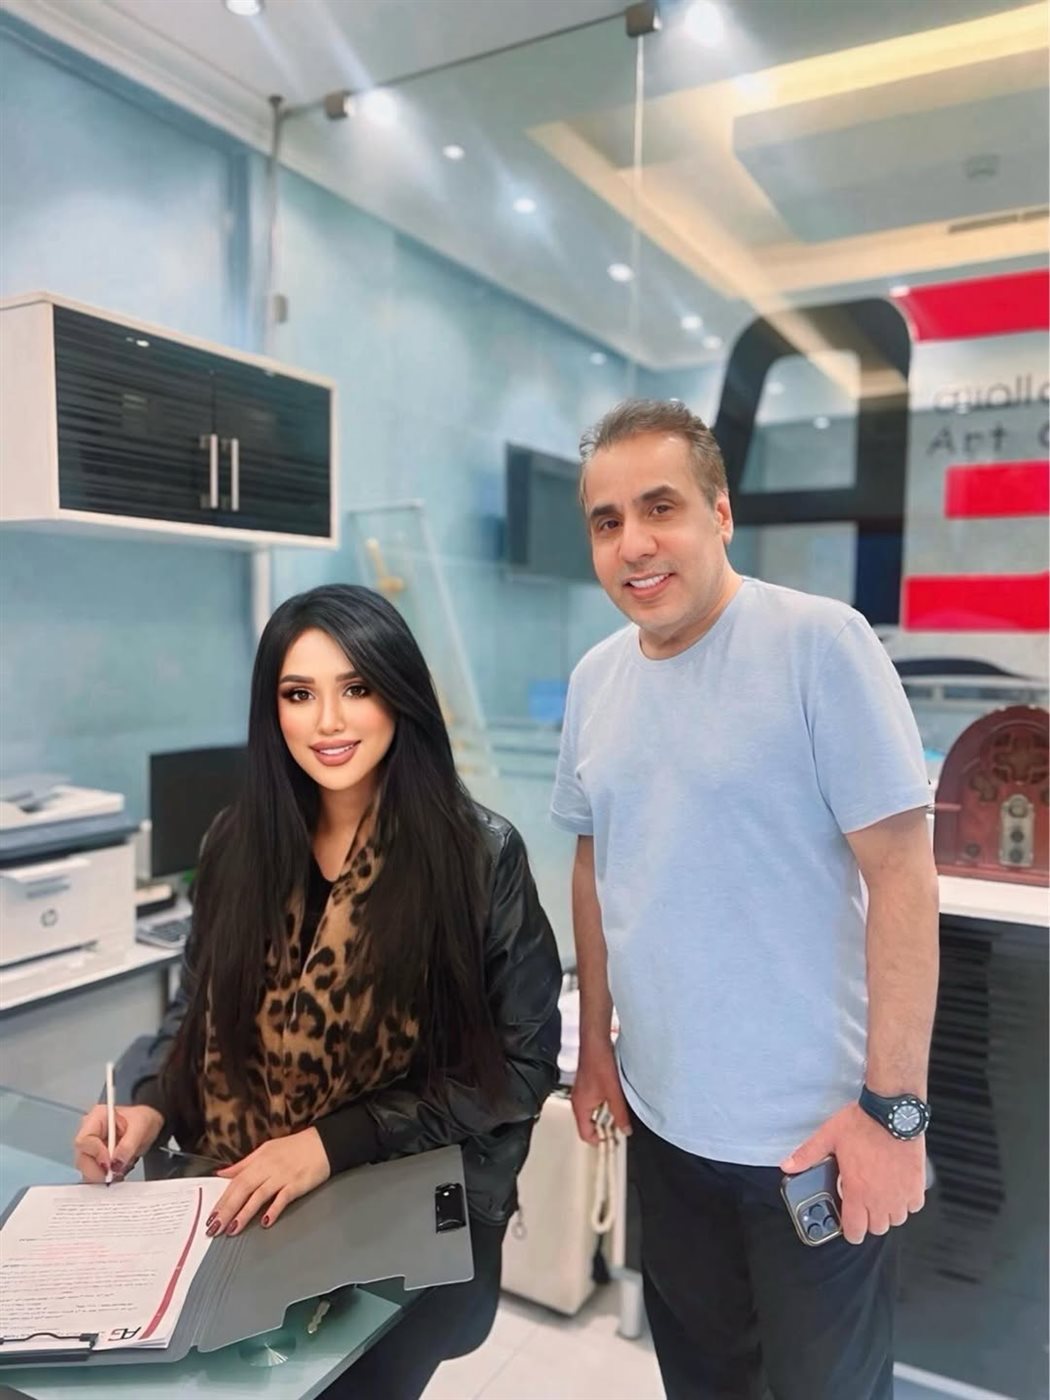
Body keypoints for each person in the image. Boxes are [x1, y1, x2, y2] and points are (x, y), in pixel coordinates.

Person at [73, 583, 562, 1399]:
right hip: (241, 1199)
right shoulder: (237, 843)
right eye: (299, 694)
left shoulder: (476, 855)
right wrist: (148, 1098)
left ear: (399, 695)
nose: (328, 722)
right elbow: (194, 1010)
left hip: (400, 1213)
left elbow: (521, 1069)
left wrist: (332, 1142)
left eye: (356, 688)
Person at [553, 399, 939, 1400]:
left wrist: (894, 1116)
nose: (634, 543)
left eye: (661, 507)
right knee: (702, 1380)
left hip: (813, 1142)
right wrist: (596, 1048)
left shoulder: (819, 644)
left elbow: (904, 875)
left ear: (720, 513)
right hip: (667, 1128)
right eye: (606, 520)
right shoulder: (596, 681)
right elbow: (597, 864)